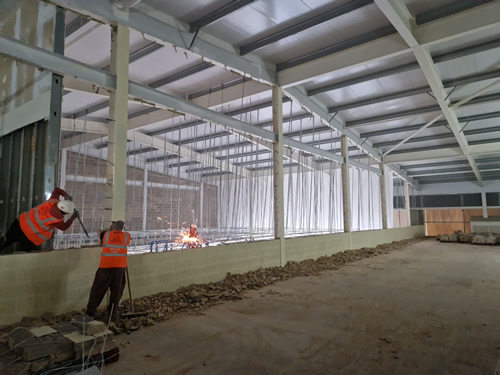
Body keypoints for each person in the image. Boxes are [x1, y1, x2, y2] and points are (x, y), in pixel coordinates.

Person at [0, 187, 78, 253]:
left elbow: (56, 190)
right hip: (29, 238)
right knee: (27, 258)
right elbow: (64, 227)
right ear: (66, 213)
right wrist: (73, 217)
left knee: (4, 243)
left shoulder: (53, 201)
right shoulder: (57, 220)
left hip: (18, 225)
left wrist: (65, 194)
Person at [86, 220, 130, 323]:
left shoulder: (105, 235)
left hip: (105, 267)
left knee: (97, 290)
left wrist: (110, 229)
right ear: (123, 228)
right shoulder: (127, 236)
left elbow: (99, 233)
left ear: (113, 227)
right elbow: (122, 234)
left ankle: (90, 313)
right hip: (119, 268)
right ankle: (112, 314)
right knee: (116, 292)